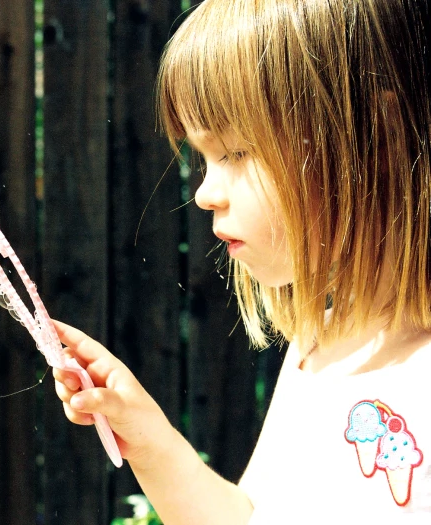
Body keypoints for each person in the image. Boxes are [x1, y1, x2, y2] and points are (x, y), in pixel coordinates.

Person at [53, 0, 431, 522]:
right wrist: (146, 436)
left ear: (380, 136)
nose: (205, 193)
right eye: (204, 158)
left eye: (235, 151)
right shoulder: (319, 344)